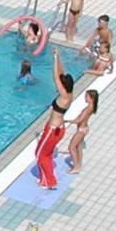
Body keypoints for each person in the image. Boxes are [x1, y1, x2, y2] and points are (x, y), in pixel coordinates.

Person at [35, 50, 74, 189]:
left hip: (53, 129)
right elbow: (60, 75)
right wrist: (58, 58)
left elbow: (55, 77)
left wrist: (55, 58)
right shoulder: (69, 94)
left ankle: (49, 181)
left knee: (40, 154)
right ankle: (45, 179)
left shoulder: (64, 97)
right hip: (57, 128)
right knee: (47, 154)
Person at [66, 89, 98, 173]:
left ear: (92, 98)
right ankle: (79, 164)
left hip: (81, 130)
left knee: (71, 147)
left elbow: (79, 120)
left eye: (86, 96)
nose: (85, 97)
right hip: (85, 128)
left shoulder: (87, 109)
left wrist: (67, 121)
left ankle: (76, 167)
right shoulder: (91, 107)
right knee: (78, 146)